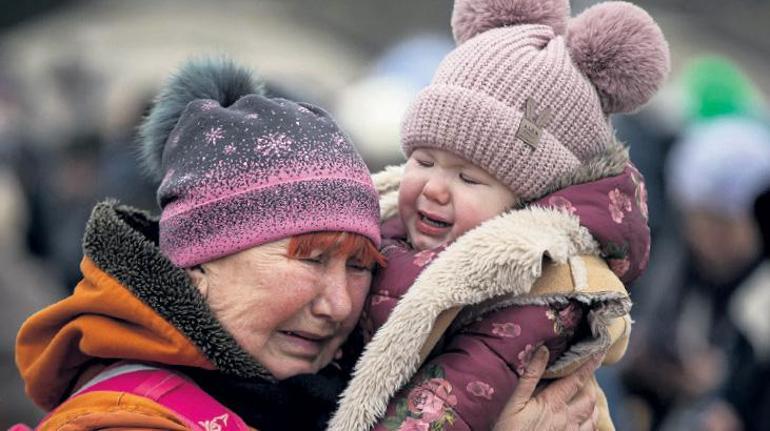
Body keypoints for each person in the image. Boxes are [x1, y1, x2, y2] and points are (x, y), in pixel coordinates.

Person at [13, 58, 600, 430]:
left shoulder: (309, 395)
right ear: (198, 263)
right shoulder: (128, 421)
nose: (339, 305)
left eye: (359, 266)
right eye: (311, 258)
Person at [327, 1, 669, 430]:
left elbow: (447, 409)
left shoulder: (534, 294)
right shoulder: (387, 223)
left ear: (528, 200)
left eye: (468, 178)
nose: (434, 187)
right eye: (424, 160)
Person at [623, 116, 770, 431]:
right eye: (700, 221)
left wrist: (728, 388)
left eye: (724, 225)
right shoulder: (672, 260)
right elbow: (633, 344)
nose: (708, 239)